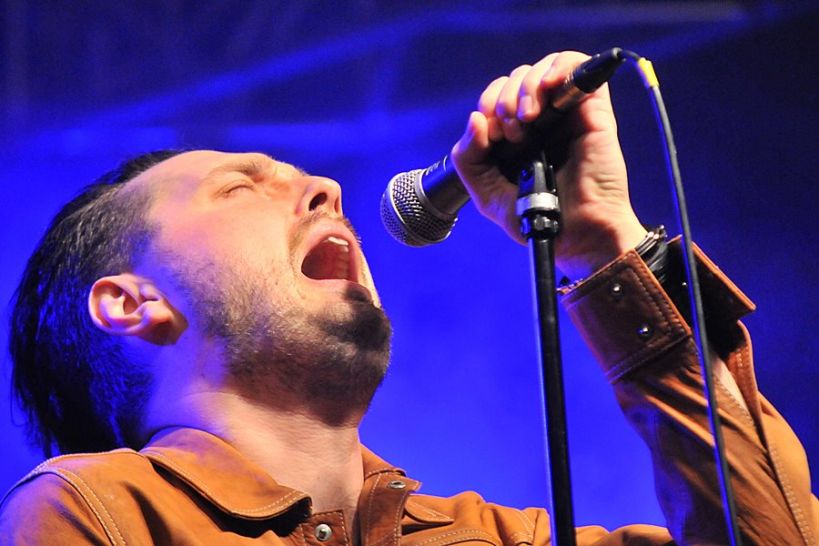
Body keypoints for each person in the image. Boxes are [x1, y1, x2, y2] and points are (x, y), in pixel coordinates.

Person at [0, 50, 815, 545]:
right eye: (241, 187)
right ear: (131, 303)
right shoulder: (95, 513)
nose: (324, 188)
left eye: (309, 178)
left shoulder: (496, 537)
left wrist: (604, 245)